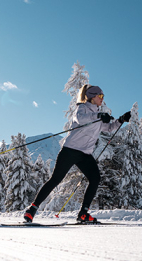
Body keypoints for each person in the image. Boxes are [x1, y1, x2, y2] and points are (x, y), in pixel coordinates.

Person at [24, 84, 131, 224]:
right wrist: (98, 115)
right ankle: (32, 209)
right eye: (101, 96)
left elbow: (109, 128)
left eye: (103, 96)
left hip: (85, 154)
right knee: (56, 179)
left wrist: (120, 120)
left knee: (95, 178)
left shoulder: (98, 113)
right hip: (70, 150)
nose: (102, 99)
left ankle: (83, 213)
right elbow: (81, 119)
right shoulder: (81, 109)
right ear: (93, 96)